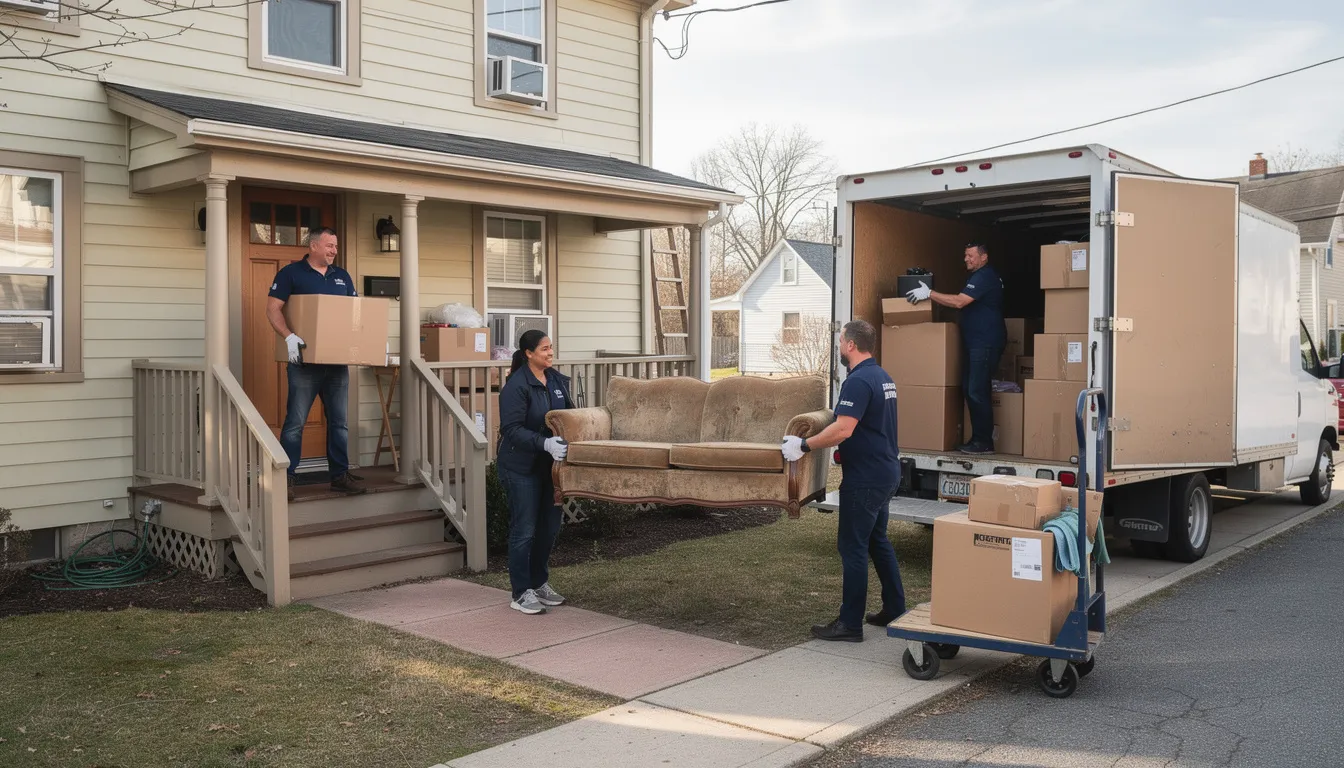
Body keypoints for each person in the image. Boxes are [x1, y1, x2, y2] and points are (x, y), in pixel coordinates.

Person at [781, 319, 905, 642]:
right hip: (885, 472)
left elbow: (843, 428)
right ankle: (895, 607)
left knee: (852, 547)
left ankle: (850, 624)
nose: (839, 347)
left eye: (840, 342)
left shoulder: (859, 382)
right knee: (877, 542)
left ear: (851, 345)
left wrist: (804, 445)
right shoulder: (884, 377)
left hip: (865, 480)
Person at [267, 227, 365, 501]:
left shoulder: (341, 276)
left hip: (336, 363)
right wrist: (288, 337)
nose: (334, 250)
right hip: (303, 363)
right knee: (295, 422)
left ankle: (339, 476)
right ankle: (285, 479)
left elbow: (354, 316)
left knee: (339, 423)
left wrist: (365, 342)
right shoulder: (291, 274)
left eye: (335, 246)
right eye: (330, 245)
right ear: (313, 246)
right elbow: (272, 308)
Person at [497, 330, 575, 615]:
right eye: (544, 348)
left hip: (550, 468)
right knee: (525, 530)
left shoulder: (555, 380)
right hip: (520, 468)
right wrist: (544, 442)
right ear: (529, 353)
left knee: (549, 528)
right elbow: (511, 429)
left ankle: (539, 582)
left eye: (551, 347)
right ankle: (520, 592)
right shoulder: (516, 386)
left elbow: (568, 415)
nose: (550, 352)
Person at [905, 243, 1006, 455]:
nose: (966, 259)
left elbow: (960, 302)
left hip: (985, 342)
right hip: (976, 342)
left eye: (970, 256)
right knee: (970, 388)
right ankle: (978, 439)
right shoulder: (977, 276)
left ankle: (983, 442)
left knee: (977, 390)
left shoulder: (984, 276)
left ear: (984, 257)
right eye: (965, 255)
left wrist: (929, 293)